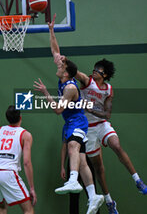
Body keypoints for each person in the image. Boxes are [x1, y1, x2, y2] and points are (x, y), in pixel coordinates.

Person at [33, 14, 104, 214]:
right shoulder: (64, 74)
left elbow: (57, 110)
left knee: (73, 146)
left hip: (78, 122)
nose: (57, 64)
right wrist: (51, 30)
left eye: (60, 65)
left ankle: (73, 181)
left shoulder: (70, 88)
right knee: (81, 161)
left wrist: (46, 93)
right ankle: (93, 196)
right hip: (72, 121)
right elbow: (55, 50)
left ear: (66, 72)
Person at [76, 58, 147, 201]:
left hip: (101, 124)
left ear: (104, 75)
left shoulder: (109, 90)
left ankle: (138, 181)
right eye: (94, 68)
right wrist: (64, 60)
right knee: (98, 168)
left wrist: (90, 109)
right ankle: (110, 201)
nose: (94, 71)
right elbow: (76, 72)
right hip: (88, 129)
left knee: (116, 145)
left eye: (98, 70)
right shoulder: (87, 81)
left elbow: (107, 114)